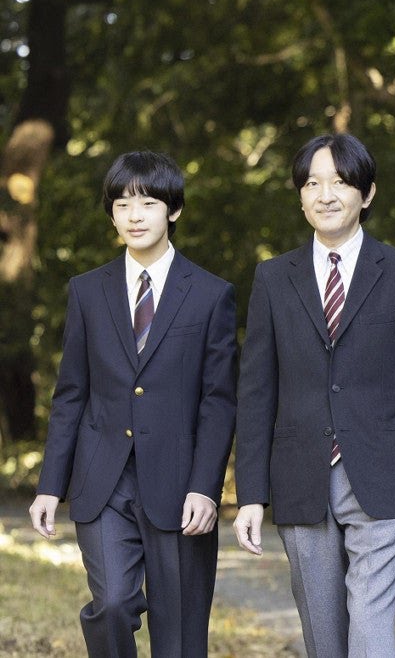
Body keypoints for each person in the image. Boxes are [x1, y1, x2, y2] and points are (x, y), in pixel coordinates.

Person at [232, 132, 395, 658]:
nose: (325, 195)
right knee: (323, 634)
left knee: (370, 620)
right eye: (312, 184)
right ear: (300, 197)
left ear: (366, 194)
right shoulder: (273, 278)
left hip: (383, 471)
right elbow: (256, 392)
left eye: (340, 182)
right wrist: (251, 494)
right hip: (299, 474)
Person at [27, 151, 238, 657]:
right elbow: (71, 393)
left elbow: (218, 402)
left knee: (180, 634)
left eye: (147, 203)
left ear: (173, 209)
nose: (134, 216)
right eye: (122, 205)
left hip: (181, 486)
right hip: (103, 480)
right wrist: (50, 486)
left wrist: (206, 487)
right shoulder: (87, 291)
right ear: (112, 214)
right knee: (113, 604)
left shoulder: (211, 295)